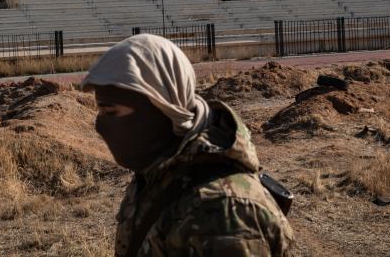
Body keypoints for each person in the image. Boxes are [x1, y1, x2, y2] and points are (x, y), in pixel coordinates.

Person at [81, 34, 294, 256]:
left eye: (111, 112)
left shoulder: (222, 212)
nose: (100, 126)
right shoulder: (161, 170)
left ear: (159, 107)